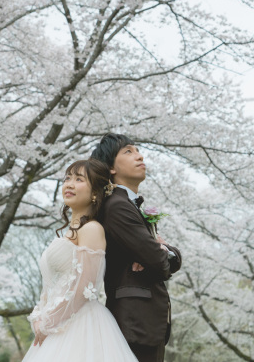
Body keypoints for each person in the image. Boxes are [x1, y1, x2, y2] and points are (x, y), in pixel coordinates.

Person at [22, 159, 138, 362]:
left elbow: (82, 286)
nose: (69, 184)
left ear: (95, 192)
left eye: (78, 179)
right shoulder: (68, 233)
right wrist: (39, 315)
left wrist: (48, 322)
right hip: (57, 324)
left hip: (81, 325)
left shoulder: (92, 229)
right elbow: (50, 285)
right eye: (67, 178)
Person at [91, 133, 182, 362]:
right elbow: (160, 264)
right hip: (135, 324)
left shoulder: (128, 204)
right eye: (128, 151)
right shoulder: (118, 206)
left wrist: (163, 250)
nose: (139, 156)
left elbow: (165, 257)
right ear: (111, 167)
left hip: (142, 323)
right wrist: (158, 252)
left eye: (138, 150)